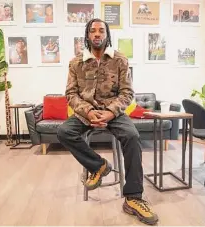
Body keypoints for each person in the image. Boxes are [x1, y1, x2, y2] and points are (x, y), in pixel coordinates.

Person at [57, 18, 159, 225]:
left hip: (114, 112)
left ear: (107, 35)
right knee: (63, 131)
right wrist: (88, 111)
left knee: (132, 136)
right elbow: (70, 93)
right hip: (86, 113)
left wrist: (111, 112)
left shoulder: (119, 60)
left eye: (101, 31)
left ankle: (133, 198)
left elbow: (127, 92)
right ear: (87, 35)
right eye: (92, 31)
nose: (97, 34)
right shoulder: (75, 62)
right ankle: (100, 166)